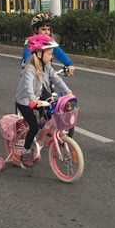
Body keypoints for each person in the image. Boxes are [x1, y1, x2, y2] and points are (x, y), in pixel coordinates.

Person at [14, 34, 73, 167]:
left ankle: (43, 124)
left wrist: (68, 91)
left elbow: (56, 79)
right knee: (33, 127)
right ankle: (26, 151)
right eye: (49, 54)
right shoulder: (30, 68)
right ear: (39, 54)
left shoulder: (46, 66)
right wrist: (33, 100)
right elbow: (27, 86)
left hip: (38, 96)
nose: (51, 57)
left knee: (54, 110)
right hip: (25, 101)